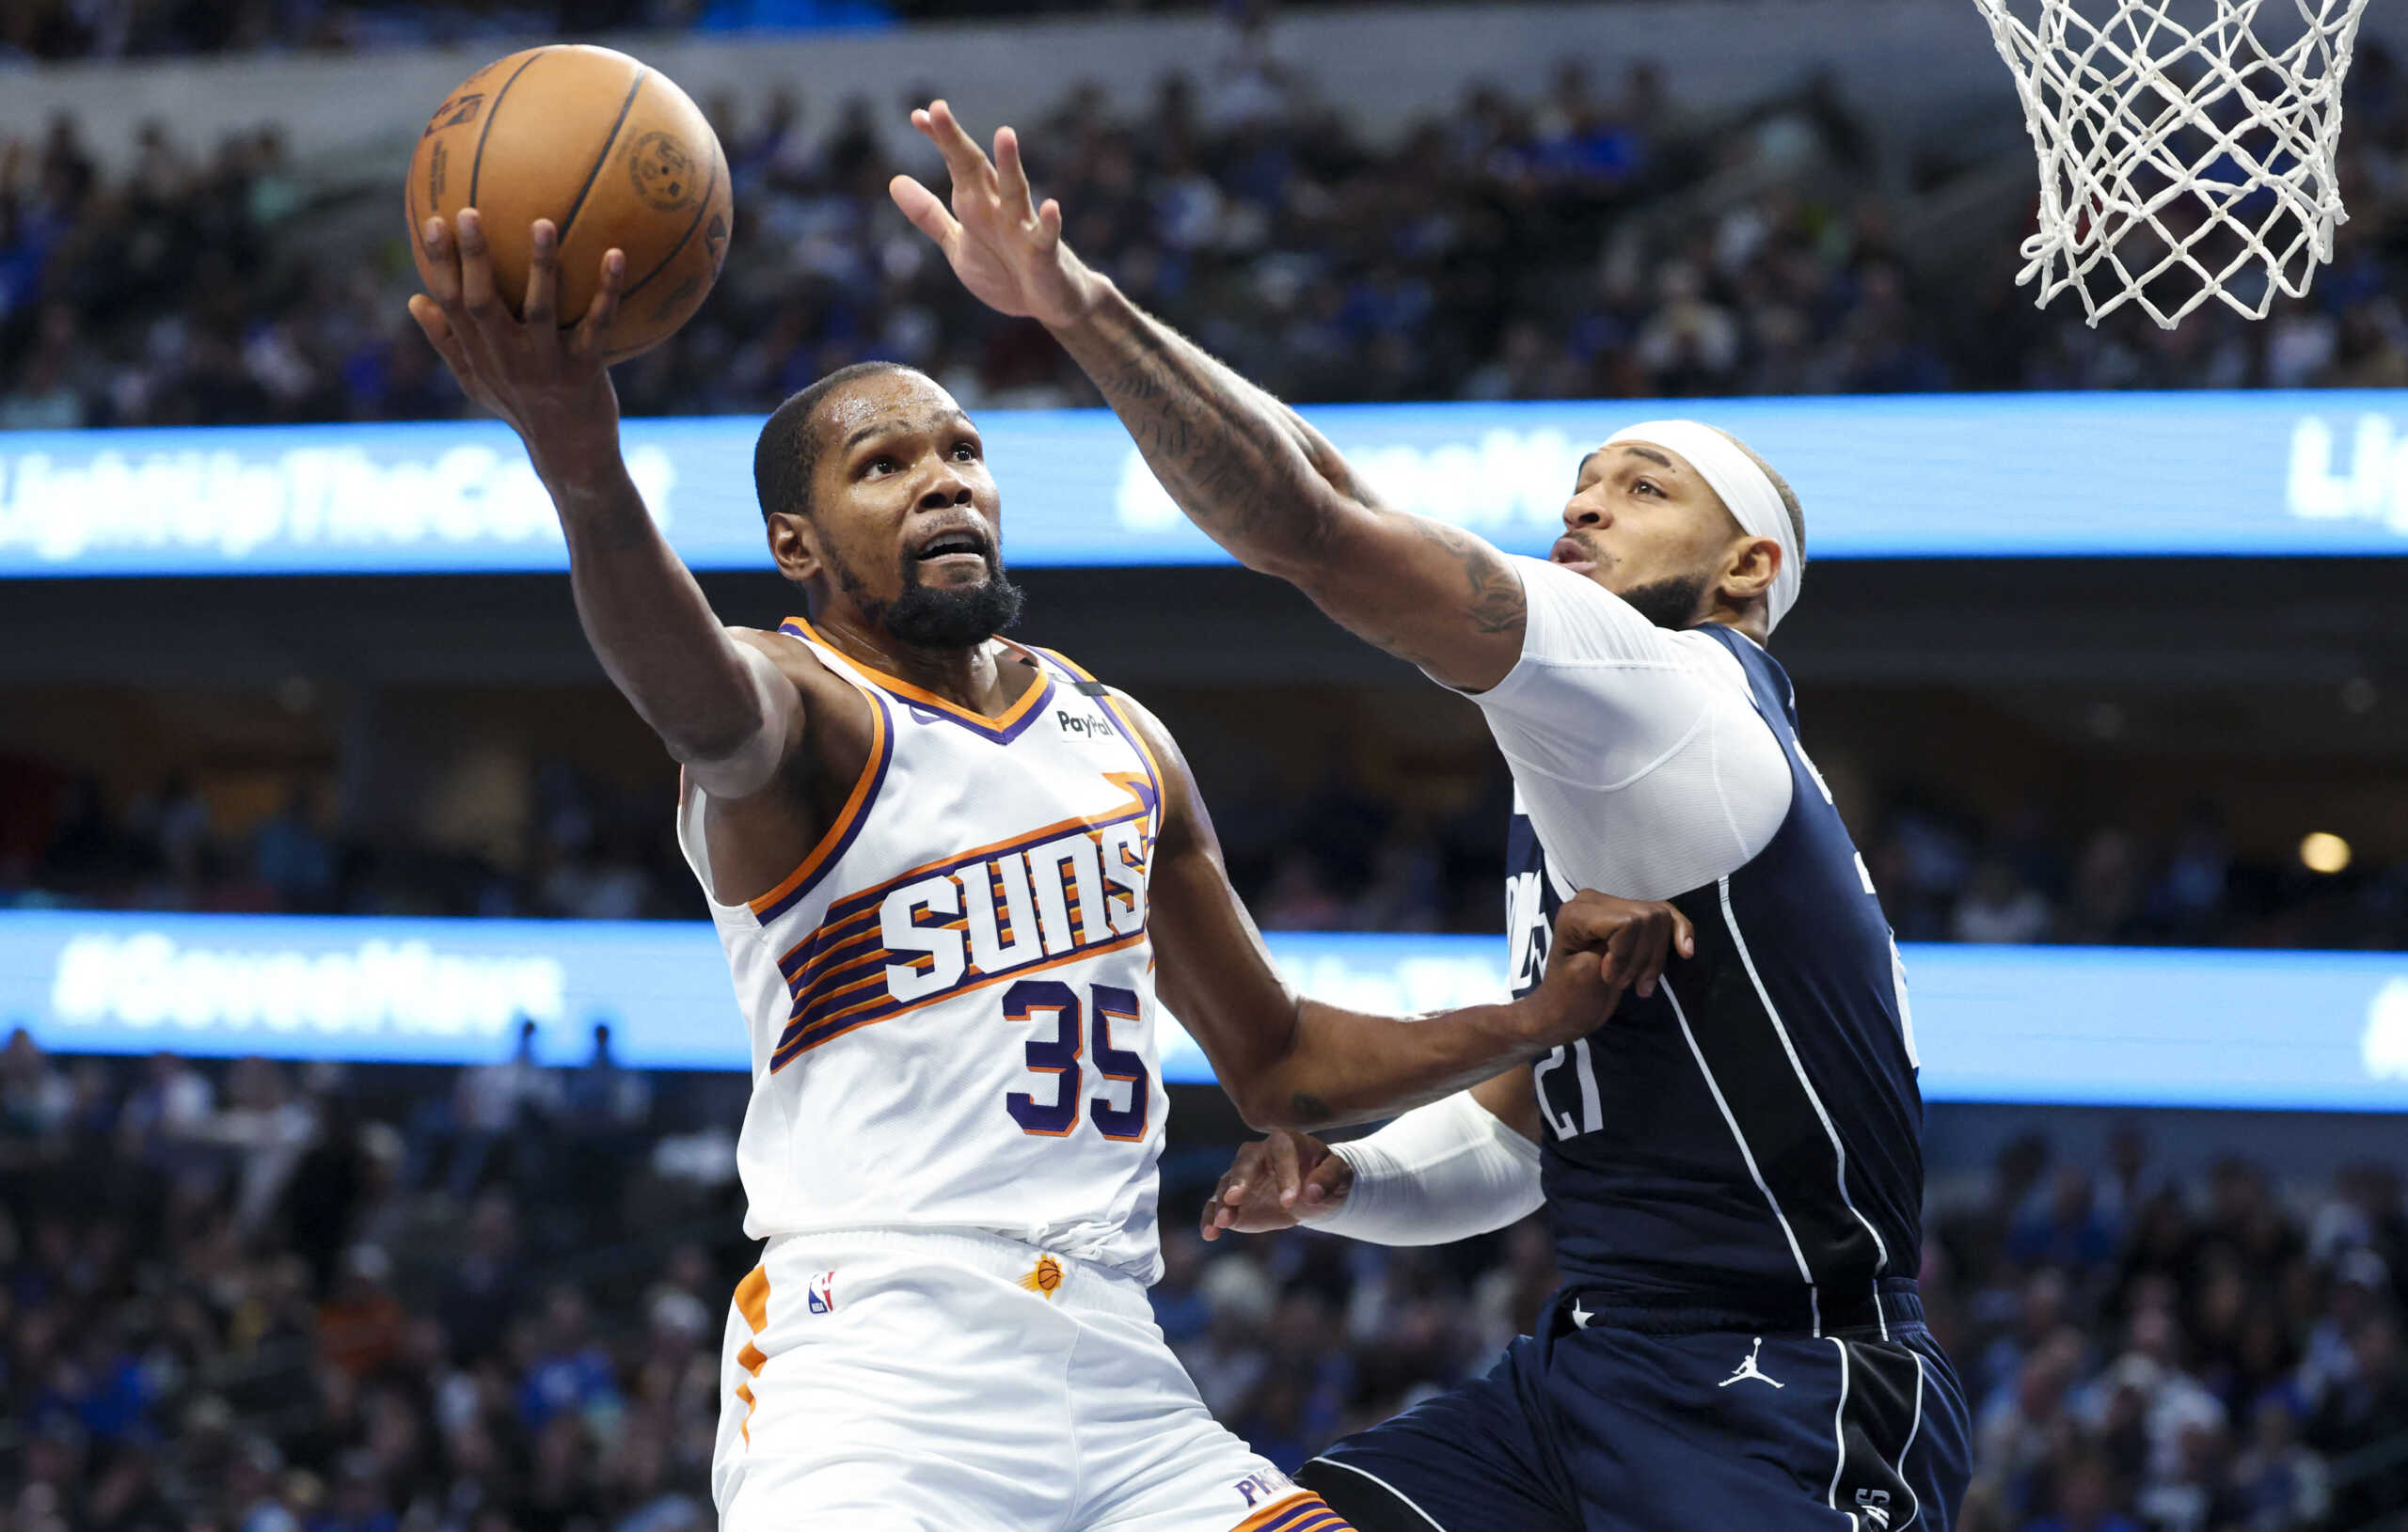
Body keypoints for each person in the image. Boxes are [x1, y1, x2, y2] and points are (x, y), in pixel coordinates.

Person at [405, 207, 1692, 1532]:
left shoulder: (1120, 734)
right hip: (878, 1365)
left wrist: (1533, 1020)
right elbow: (693, 699)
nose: (944, 479)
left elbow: (1281, 1060)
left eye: (962, 450)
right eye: (884, 464)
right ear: (799, 546)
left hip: (1116, 1357)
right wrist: (581, 464)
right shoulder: (801, 704)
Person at [894, 99, 1973, 1530]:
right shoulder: (1593, 768)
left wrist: (1074, 307)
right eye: (1579, 485)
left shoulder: (1677, 699)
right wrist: (1349, 1176)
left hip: (1791, 1389)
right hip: (1593, 1365)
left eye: (1641, 489)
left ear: (1745, 565)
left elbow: (1315, 529)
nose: (1584, 510)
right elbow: (1538, 1133)